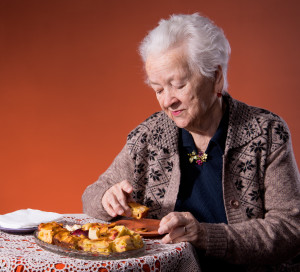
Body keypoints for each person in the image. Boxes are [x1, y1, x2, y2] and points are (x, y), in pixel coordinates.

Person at [82, 13, 300, 271]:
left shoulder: (265, 133)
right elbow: (91, 196)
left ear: (216, 77)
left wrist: (207, 236)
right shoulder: (148, 136)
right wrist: (108, 198)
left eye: (178, 85)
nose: (167, 101)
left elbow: (290, 228)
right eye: (159, 90)